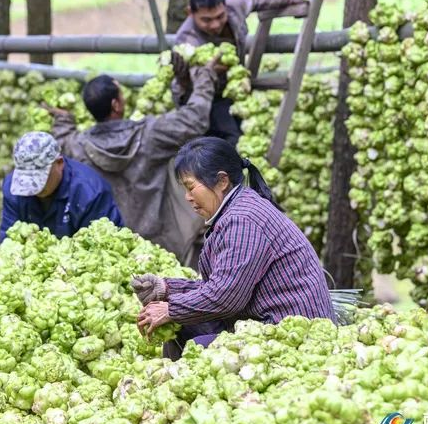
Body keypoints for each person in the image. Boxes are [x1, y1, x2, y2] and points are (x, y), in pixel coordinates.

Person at [133, 137, 334, 360]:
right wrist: (166, 288)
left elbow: (226, 297)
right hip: (263, 320)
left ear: (221, 181)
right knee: (183, 328)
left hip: (291, 332)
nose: (188, 197)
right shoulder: (235, 210)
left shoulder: (242, 219)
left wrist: (170, 309)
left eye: (191, 187)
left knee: (199, 350)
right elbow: (221, 284)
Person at [49, 61, 218, 261]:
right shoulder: (151, 135)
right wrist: (205, 78)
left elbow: (62, 140)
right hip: (161, 241)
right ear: (116, 104)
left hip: (113, 246)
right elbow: (194, 119)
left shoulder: (79, 146)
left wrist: (62, 119)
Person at [173, 0, 309, 146]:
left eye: (220, 16)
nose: (215, 25)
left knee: (239, 132)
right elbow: (195, 81)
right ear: (190, 13)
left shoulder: (234, 6)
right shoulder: (187, 40)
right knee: (227, 140)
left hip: (231, 89)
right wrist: (210, 70)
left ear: (225, 7)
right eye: (207, 20)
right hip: (201, 96)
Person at [0, 131, 123, 243]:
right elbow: (8, 240)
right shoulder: (14, 188)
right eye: (28, 178)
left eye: (39, 177)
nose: (35, 188)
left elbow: (106, 246)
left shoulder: (89, 192)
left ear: (59, 163)